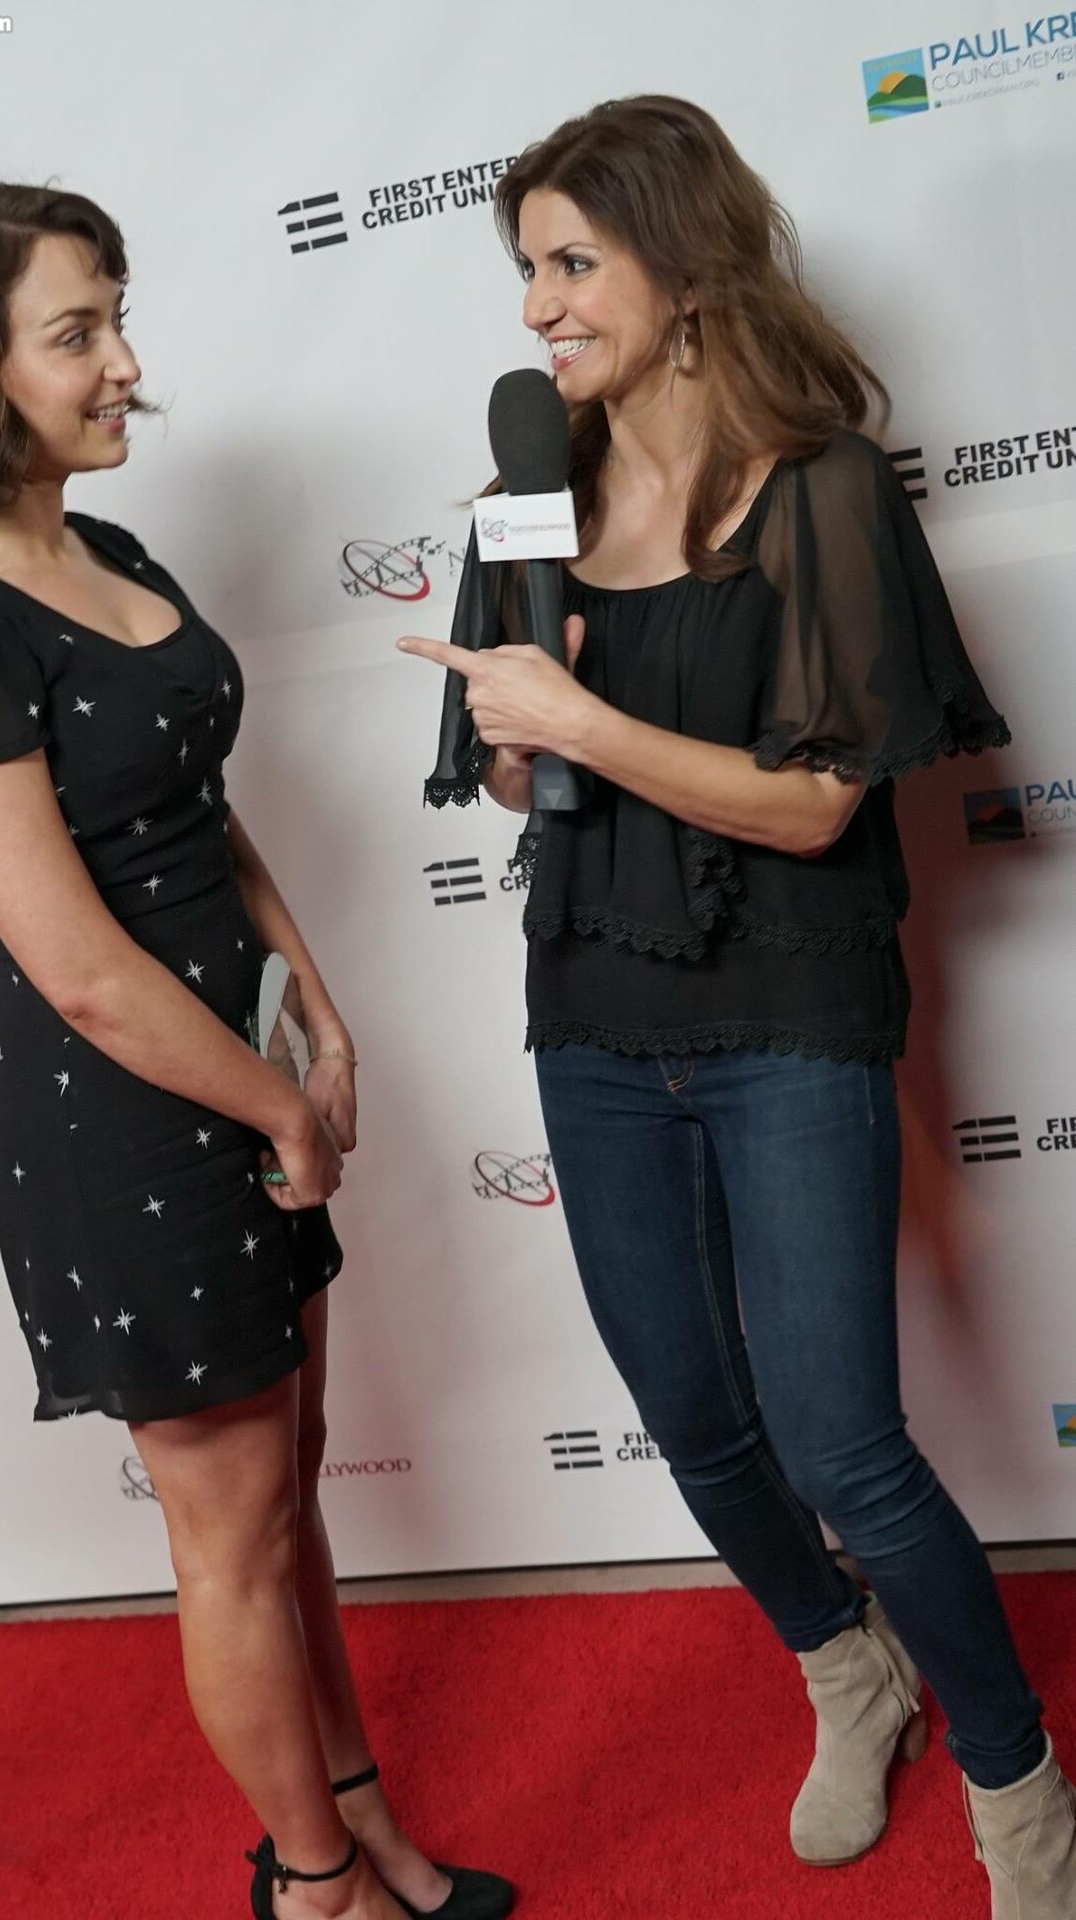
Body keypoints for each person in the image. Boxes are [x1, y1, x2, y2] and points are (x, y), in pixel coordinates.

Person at [400, 95, 1076, 1913]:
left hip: (790, 1013)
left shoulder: (821, 487)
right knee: (694, 1417)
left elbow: (817, 806)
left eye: (572, 262)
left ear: (685, 269)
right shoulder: (526, 490)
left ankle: (1017, 1781)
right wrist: (516, 729)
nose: (537, 307)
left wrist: (585, 718)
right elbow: (515, 782)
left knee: (842, 1438)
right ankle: (847, 1671)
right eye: (524, 268)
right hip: (592, 1016)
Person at [0, 180, 511, 1920]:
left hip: (243, 1076)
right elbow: (77, 970)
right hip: (124, 1125)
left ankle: (358, 1814)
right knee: (227, 1531)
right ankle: (312, 1885)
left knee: (288, 1492)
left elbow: (199, 823)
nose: (129, 365)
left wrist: (321, 1008)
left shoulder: (113, 553)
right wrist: (282, 1104)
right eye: (78, 334)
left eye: (118, 319)